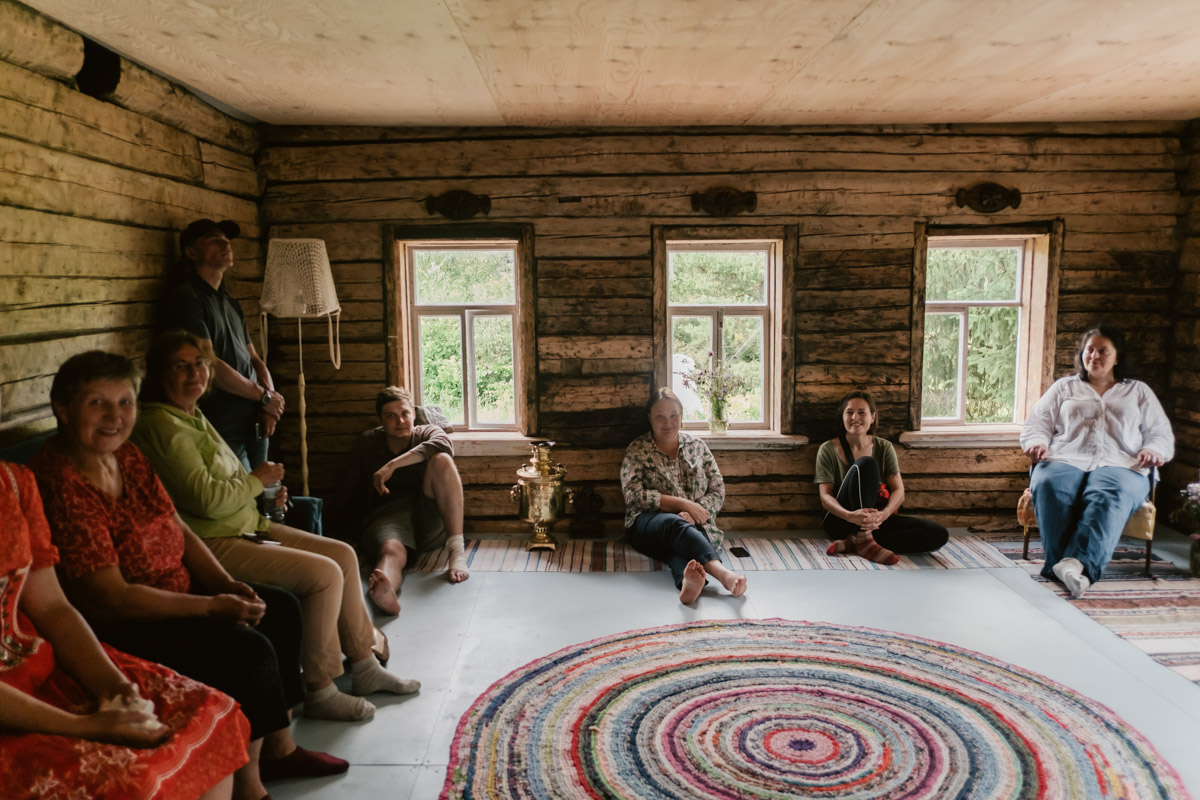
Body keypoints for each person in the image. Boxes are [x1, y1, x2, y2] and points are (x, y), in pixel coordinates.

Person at [29, 351, 349, 800]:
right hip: (126, 620)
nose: (115, 417)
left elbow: (175, 524)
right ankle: (250, 787)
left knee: (279, 607)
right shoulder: (61, 481)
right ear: (63, 409)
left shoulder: (128, 456)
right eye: (97, 404)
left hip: (177, 589)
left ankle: (279, 748)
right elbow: (111, 596)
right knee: (246, 650)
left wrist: (224, 583)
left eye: (125, 403)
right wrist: (213, 607)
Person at [129, 333, 419, 722]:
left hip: (250, 522)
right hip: (215, 540)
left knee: (343, 553)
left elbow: (228, 486)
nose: (194, 373)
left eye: (200, 363)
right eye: (180, 366)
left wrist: (265, 495)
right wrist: (256, 479)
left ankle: (365, 667)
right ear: (159, 373)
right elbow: (206, 501)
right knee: (324, 574)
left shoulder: (194, 415)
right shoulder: (161, 425)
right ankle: (320, 689)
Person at [1, 460, 246, 800]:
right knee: (132, 780)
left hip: (39, 664)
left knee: (211, 711)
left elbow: (52, 607)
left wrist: (115, 688)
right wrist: (85, 727)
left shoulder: (13, 483)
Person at [1020, 325, 1174, 598]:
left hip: (1123, 462)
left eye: (1103, 351)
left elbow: (1160, 433)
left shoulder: (1137, 391)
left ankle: (1071, 565)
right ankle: (1070, 567)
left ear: (1117, 356)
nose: (1095, 356)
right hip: (1065, 456)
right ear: (1082, 354)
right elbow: (1037, 423)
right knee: (1049, 484)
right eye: (1089, 350)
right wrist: (1039, 442)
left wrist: (1153, 449)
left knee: (1107, 493)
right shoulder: (1064, 387)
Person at [330, 387, 469, 615]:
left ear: (413, 414)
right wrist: (341, 535)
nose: (400, 421)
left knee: (442, 460)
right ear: (381, 421)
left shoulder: (426, 432)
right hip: (388, 518)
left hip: (429, 517)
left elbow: (444, 445)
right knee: (391, 551)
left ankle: (456, 551)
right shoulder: (368, 443)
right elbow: (348, 491)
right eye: (390, 416)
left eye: (404, 413)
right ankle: (384, 587)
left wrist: (391, 465)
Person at [161, 219, 283, 469]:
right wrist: (264, 397)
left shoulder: (229, 302)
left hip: (255, 419)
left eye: (226, 240)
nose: (225, 243)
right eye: (214, 239)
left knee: (264, 496)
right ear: (191, 252)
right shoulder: (187, 298)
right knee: (242, 497)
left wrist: (268, 403)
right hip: (221, 424)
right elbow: (209, 364)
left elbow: (255, 360)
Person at [620, 387, 747, 604]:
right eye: (659, 416)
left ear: (681, 417)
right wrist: (686, 505)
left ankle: (687, 585)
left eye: (673, 416)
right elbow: (633, 495)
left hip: (696, 524)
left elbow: (717, 489)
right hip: (649, 524)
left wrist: (696, 514)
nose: (667, 422)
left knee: (680, 547)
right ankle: (722, 573)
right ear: (649, 418)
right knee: (674, 525)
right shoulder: (637, 450)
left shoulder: (698, 447)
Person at [815, 391, 949, 565]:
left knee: (938, 534)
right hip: (842, 521)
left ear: (872, 417)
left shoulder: (884, 447)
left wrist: (883, 515)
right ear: (842, 417)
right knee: (866, 464)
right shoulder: (827, 449)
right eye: (849, 412)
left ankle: (857, 542)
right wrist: (850, 516)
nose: (855, 417)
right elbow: (825, 497)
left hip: (876, 520)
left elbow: (899, 491)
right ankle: (862, 538)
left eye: (862, 412)